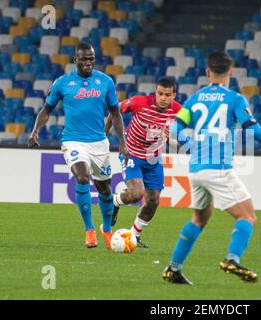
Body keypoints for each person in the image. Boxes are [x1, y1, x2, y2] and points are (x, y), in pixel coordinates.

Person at [162, 51, 261, 285]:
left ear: (207, 72)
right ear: (231, 71)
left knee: (200, 218)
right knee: (248, 217)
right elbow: (250, 127)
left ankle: (173, 268)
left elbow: (174, 129)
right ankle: (232, 259)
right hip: (218, 168)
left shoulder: (194, 99)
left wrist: (191, 145)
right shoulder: (235, 99)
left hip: (196, 169)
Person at [28, 43, 127, 250]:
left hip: (99, 143)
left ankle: (106, 230)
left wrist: (123, 144)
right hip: (73, 141)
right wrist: (35, 130)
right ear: (76, 60)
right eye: (84, 59)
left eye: (91, 58)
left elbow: (116, 113)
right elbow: (46, 110)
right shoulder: (63, 83)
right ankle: (89, 230)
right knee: (82, 176)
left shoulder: (105, 82)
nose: (88, 62)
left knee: (105, 189)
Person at [105, 77, 182, 248]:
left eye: (167, 95)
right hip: (132, 154)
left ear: (174, 95)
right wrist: (105, 137)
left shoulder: (178, 111)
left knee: (153, 200)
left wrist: (173, 140)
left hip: (154, 159)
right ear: (155, 92)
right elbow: (114, 110)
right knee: (137, 193)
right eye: (160, 93)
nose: (162, 98)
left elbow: (178, 143)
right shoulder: (140, 102)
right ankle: (115, 200)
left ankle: (133, 236)